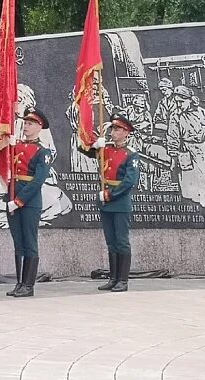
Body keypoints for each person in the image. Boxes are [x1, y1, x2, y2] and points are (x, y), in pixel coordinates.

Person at [80, 114, 139, 293]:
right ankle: (113, 278)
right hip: (105, 201)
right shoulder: (106, 149)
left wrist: (110, 195)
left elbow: (130, 181)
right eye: (113, 129)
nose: (114, 132)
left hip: (119, 201)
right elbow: (84, 150)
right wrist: (94, 145)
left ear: (126, 133)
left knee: (121, 241)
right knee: (111, 242)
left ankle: (122, 280)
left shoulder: (131, 154)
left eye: (118, 129)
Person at [4, 108, 52, 298]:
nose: (27, 126)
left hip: (28, 202)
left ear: (40, 127)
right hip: (11, 199)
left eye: (31, 123)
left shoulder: (43, 152)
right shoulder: (16, 146)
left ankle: (28, 285)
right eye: (25, 122)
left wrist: (19, 200)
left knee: (30, 242)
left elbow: (37, 180)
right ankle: (20, 282)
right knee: (19, 242)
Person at [166, 86, 205, 208]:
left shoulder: (202, 113)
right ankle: (197, 209)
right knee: (191, 185)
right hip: (187, 152)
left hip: (204, 151)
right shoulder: (176, 116)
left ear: (190, 100)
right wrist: (174, 159)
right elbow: (172, 138)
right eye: (177, 102)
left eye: (181, 102)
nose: (179, 105)